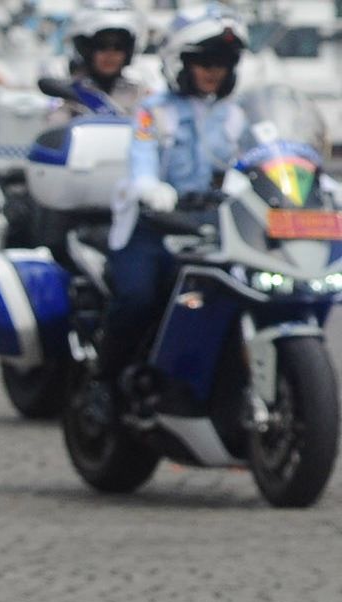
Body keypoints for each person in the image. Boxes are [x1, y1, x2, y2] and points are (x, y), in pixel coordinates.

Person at [97, 10, 250, 421]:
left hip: (213, 227)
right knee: (138, 297)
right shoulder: (153, 111)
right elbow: (142, 155)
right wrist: (150, 187)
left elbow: (252, 162)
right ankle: (105, 383)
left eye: (221, 63)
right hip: (153, 226)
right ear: (181, 63)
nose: (213, 72)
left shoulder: (236, 116)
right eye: (204, 62)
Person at [48, 7, 145, 124]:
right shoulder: (70, 94)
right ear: (86, 50)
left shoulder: (139, 94)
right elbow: (54, 128)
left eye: (119, 46)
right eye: (102, 46)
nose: (111, 54)